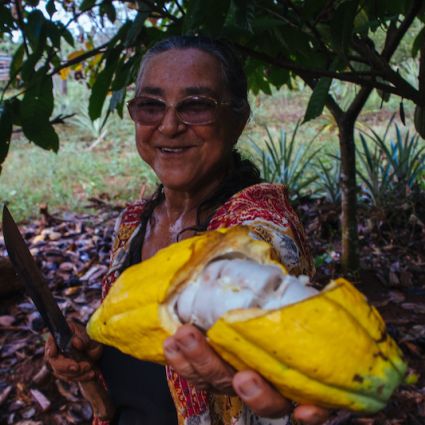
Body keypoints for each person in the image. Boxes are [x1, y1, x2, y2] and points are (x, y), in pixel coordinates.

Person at [45, 36, 330, 425]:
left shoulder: (260, 233)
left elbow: (284, 362)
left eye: (196, 106)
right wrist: (92, 350)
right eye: (151, 105)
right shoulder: (133, 224)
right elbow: (134, 345)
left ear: (238, 119)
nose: (169, 125)